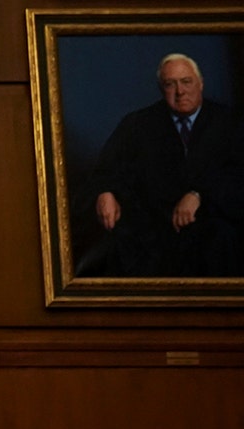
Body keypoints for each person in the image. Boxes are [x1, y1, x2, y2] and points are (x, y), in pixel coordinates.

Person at [80, 53, 244, 277]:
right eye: (170, 84)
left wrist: (199, 194)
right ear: (161, 88)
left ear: (201, 84)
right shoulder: (138, 124)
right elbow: (107, 169)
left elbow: (237, 174)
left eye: (186, 82)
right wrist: (105, 192)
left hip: (212, 224)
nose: (180, 92)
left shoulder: (230, 123)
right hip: (153, 228)